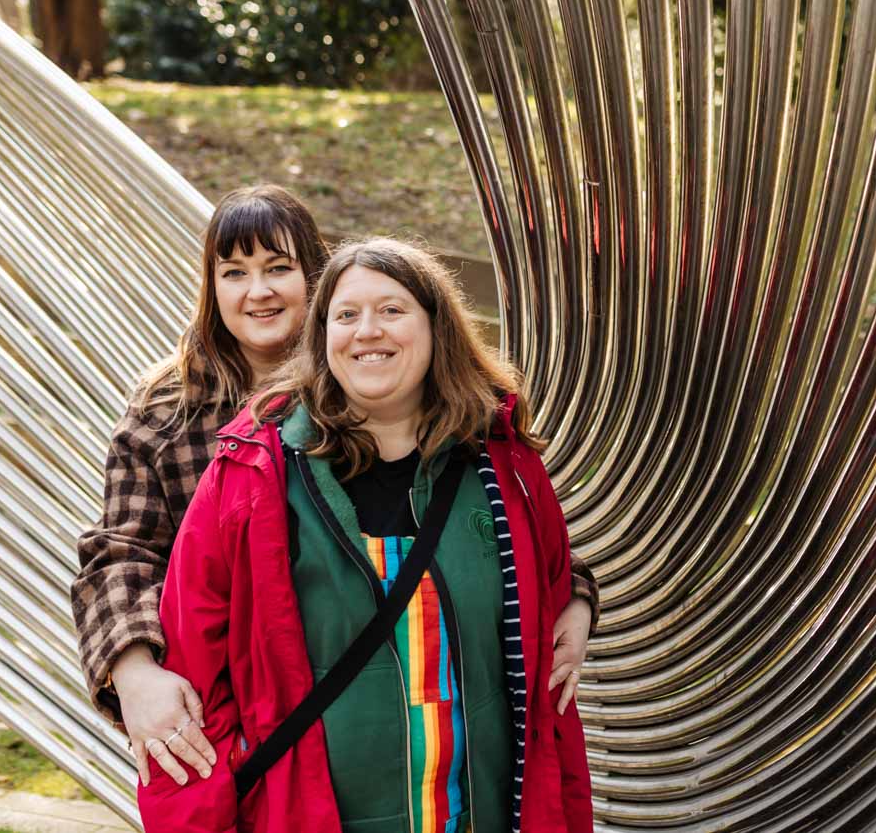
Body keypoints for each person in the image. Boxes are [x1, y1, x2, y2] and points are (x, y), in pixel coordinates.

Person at [71, 186, 597, 790]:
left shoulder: (370, 385)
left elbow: (478, 521)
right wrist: (133, 671)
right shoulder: (168, 411)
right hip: (233, 699)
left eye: (279, 268)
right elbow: (121, 551)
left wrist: (574, 595)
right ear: (211, 289)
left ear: (318, 278)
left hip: (379, 690)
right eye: (234, 272)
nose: (258, 291)